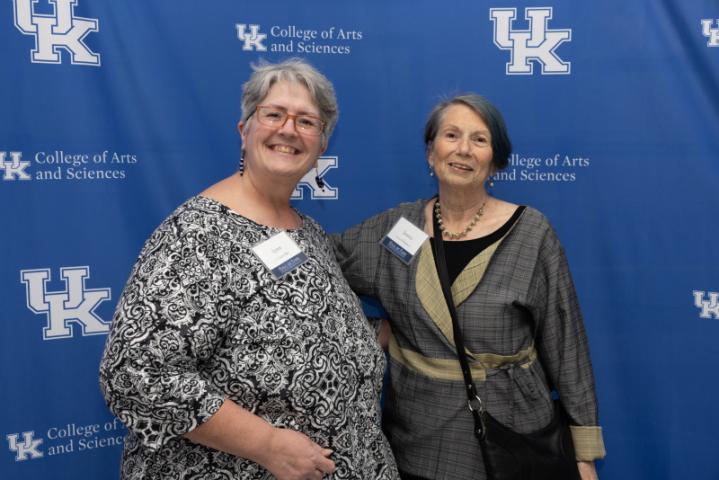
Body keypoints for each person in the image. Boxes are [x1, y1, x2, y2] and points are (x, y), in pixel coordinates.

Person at [99, 58, 398, 480]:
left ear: (321, 146)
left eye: (307, 121)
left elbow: (309, 326)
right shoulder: (197, 234)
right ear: (245, 131)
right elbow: (135, 372)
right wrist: (267, 444)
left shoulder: (306, 230)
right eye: (273, 114)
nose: (289, 129)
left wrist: (379, 335)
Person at [333, 94, 605, 480]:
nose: (463, 149)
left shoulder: (532, 233)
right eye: (451, 135)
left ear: (494, 161)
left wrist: (584, 454)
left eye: (479, 140)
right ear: (431, 152)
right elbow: (320, 265)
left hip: (515, 436)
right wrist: (370, 332)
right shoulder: (397, 229)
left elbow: (566, 345)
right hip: (418, 444)